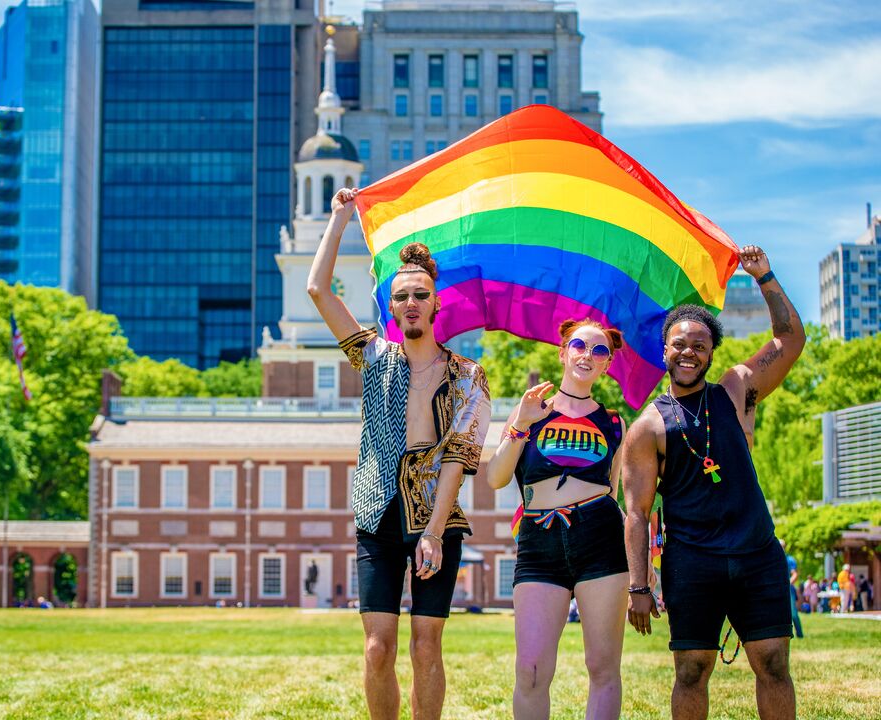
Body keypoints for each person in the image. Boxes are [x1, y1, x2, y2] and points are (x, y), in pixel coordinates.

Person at [308, 187, 491, 720]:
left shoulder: (468, 376)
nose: (412, 303)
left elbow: (459, 457)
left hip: (437, 517)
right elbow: (318, 288)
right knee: (377, 648)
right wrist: (341, 218)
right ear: (391, 305)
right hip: (376, 513)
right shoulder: (373, 356)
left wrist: (433, 533)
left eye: (421, 295)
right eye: (402, 296)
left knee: (425, 646)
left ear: (436, 303)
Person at [622, 245, 804, 719]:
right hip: (692, 562)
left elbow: (789, 339)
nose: (689, 352)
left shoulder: (736, 390)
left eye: (700, 345)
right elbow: (637, 513)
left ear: (710, 353)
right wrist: (638, 586)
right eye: (680, 343)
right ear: (665, 349)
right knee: (690, 671)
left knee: (774, 663)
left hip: (756, 553)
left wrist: (764, 276)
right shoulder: (647, 428)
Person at [486, 319, 629, 720]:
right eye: (580, 345)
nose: (588, 355)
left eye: (599, 351)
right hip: (539, 542)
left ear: (607, 364)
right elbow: (496, 477)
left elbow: (612, 491)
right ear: (563, 352)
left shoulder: (615, 423)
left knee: (602, 668)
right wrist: (520, 424)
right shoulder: (531, 411)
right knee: (530, 671)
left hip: (599, 539)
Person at [780, 540, 803, 639]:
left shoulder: (789, 559)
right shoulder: (773, 558)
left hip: (788, 589)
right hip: (776, 588)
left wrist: (787, 583)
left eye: (782, 546)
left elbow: (795, 574)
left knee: (793, 614)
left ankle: (800, 634)